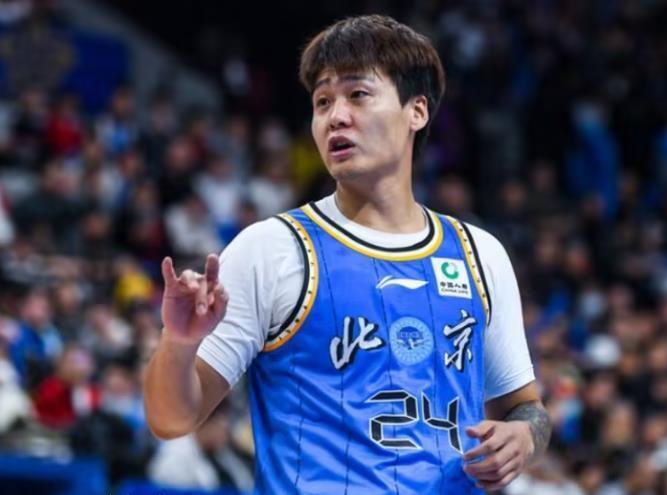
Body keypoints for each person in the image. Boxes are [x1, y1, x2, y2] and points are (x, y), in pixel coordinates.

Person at [143, 14, 550, 494]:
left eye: (357, 94)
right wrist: (179, 343)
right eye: (322, 101)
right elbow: (171, 420)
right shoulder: (271, 249)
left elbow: (527, 408)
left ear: (417, 111)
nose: (335, 116)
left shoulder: (480, 255)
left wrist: (525, 437)